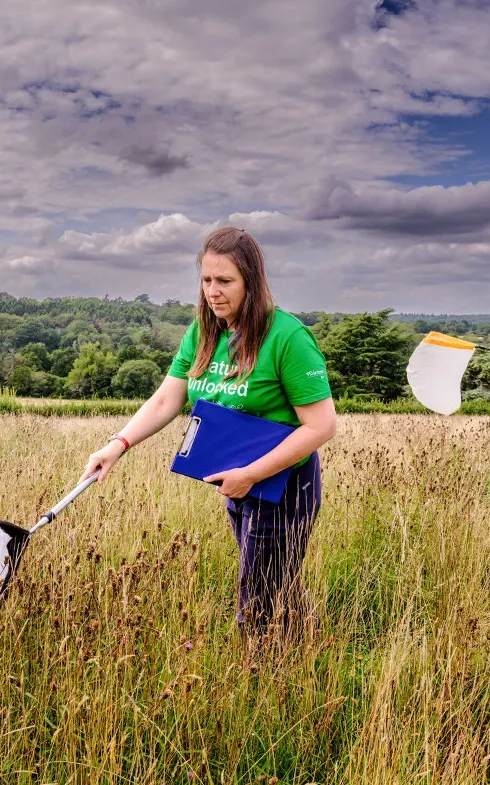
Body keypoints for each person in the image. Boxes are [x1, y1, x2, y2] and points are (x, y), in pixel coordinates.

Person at [80, 227, 337, 639]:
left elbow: (322, 426)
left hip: (283, 486)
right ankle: (308, 651)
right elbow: (167, 399)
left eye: (225, 281)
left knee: (256, 601)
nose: (213, 292)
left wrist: (252, 474)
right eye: (206, 280)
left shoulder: (287, 337)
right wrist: (118, 444)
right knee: (275, 582)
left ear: (251, 282)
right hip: (235, 481)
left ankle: (266, 684)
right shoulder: (204, 332)